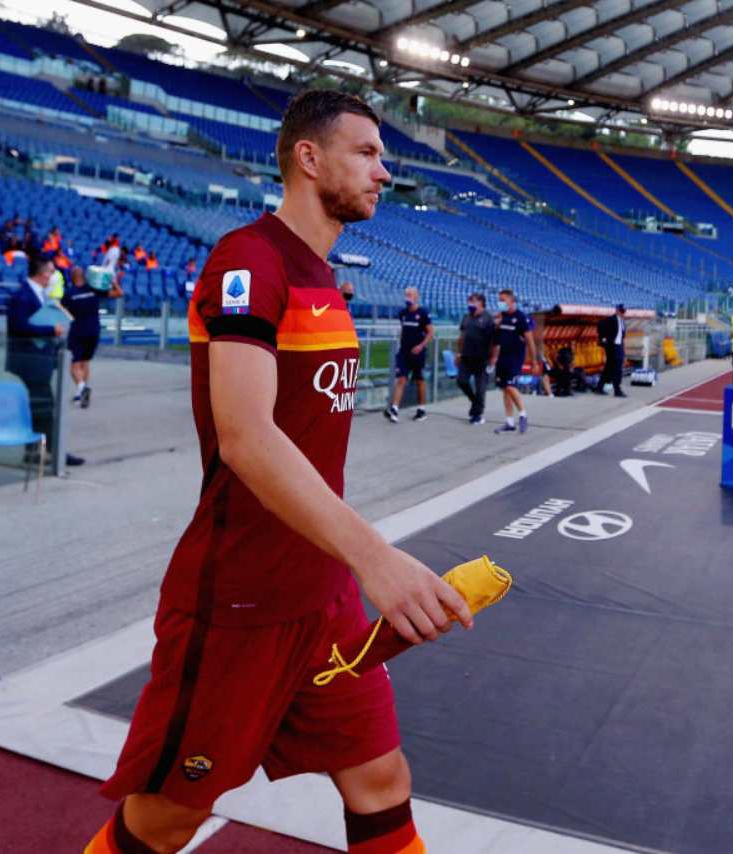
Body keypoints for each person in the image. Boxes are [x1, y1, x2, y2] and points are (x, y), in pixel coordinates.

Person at [87, 90, 472, 854]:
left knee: (380, 779)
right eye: (366, 153)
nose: (384, 172)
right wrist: (377, 559)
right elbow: (247, 438)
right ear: (308, 157)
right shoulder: (249, 261)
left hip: (320, 597)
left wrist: (348, 566)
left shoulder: (325, 277)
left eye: (383, 157)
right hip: (240, 601)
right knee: (170, 814)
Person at [5, 255, 83, 466]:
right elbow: (18, 327)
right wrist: (51, 329)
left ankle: (33, 451)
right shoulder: (23, 295)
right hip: (29, 361)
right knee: (45, 407)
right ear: (41, 273)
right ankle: (55, 453)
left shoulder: (38, 294)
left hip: (39, 359)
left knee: (39, 406)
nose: (53, 276)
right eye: (50, 272)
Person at [62, 265, 122, 408]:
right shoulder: (93, 290)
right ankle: (80, 394)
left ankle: (82, 388)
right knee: (85, 362)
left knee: (75, 364)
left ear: (71, 277)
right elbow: (119, 293)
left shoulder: (69, 294)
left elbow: (64, 313)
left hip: (77, 331)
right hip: (94, 331)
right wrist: (112, 281)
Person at [385, 286, 432, 423]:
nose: (408, 297)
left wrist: (421, 346)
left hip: (418, 353)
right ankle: (394, 408)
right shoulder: (403, 313)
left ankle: (422, 409)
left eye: (410, 295)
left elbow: (430, 332)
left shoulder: (423, 313)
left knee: (419, 380)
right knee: (401, 379)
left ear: (416, 296)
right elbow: (403, 330)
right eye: (406, 295)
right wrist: (401, 345)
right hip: (404, 352)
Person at [491, 288, 535, 433]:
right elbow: (496, 339)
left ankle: (523, 414)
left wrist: (534, 361)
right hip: (502, 357)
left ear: (511, 301)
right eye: (499, 300)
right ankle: (509, 422)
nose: (500, 303)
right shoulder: (501, 316)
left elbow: (530, 340)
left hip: (515, 358)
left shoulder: (521, 317)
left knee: (510, 386)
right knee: (505, 388)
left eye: (503, 300)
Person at [456, 291, 493, 424]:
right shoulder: (466, 317)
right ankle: (474, 402)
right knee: (461, 381)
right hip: (466, 357)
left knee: (480, 388)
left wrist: (493, 359)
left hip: (482, 359)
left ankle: (477, 414)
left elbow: (494, 341)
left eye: (473, 301)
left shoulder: (488, 318)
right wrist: (458, 353)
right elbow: (461, 337)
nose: (470, 303)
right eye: (469, 301)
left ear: (481, 303)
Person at [595, 303, 628, 397]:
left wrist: (623, 350)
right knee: (617, 369)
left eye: (623, 311)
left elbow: (622, 336)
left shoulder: (622, 321)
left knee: (608, 368)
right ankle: (617, 390)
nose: (622, 313)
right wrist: (604, 339)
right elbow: (600, 325)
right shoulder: (611, 319)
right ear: (617, 310)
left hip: (619, 346)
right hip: (612, 347)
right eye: (621, 311)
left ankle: (599, 387)